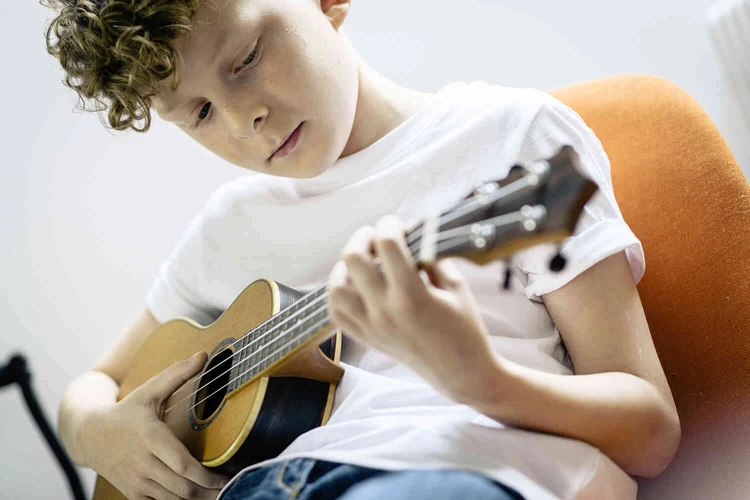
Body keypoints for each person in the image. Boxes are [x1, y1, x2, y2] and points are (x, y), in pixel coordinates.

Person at [42, 0, 681, 499]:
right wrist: (95, 433)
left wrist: (483, 381)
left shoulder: (511, 139)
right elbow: (96, 385)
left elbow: (651, 434)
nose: (243, 120)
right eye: (201, 113)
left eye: (247, 58)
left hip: (455, 472)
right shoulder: (229, 227)